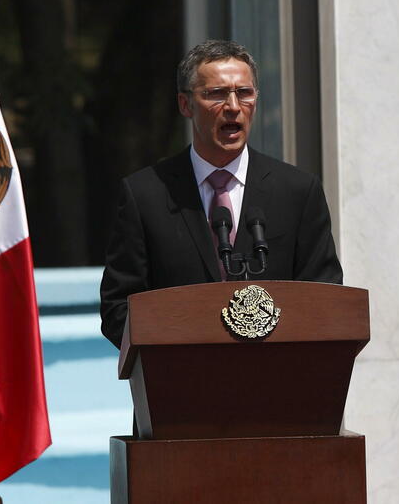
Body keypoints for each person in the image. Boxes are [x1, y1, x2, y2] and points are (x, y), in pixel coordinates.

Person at [99, 40, 343, 348]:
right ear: (185, 104)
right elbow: (118, 309)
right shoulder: (145, 194)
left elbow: (325, 298)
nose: (233, 106)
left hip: (276, 372)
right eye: (216, 94)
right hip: (182, 372)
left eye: (244, 93)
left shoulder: (297, 191)